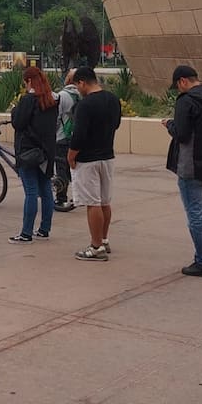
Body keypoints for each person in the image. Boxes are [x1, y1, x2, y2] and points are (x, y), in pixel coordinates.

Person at [164, 65, 202, 278]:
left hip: (191, 165)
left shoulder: (186, 101)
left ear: (182, 81)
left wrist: (169, 124)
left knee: (195, 213)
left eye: (178, 86)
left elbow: (181, 133)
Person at [68, 67, 121, 261]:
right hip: (107, 155)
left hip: (88, 159)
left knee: (93, 203)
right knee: (105, 201)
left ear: (82, 82)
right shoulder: (113, 100)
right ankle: (104, 239)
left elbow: (79, 135)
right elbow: (116, 124)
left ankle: (95, 246)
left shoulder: (85, 105)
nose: (77, 89)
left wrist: (71, 155)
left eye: (76, 85)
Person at [9, 65, 57, 243]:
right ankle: (44, 229)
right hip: (45, 152)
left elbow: (19, 123)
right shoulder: (51, 100)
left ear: (28, 81)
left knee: (30, 192)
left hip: (28, 151)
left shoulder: (28, 99)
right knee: (45, 191)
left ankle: (26, 233)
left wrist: (15, 110)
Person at [54, 68, 80, 211]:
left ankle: (61, 198)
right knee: (74, 168)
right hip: (77, 137)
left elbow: (57, 117)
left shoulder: (62, 95)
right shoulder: (82, 95)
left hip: (62, 136)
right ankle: (78, 196)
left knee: (61, 169)